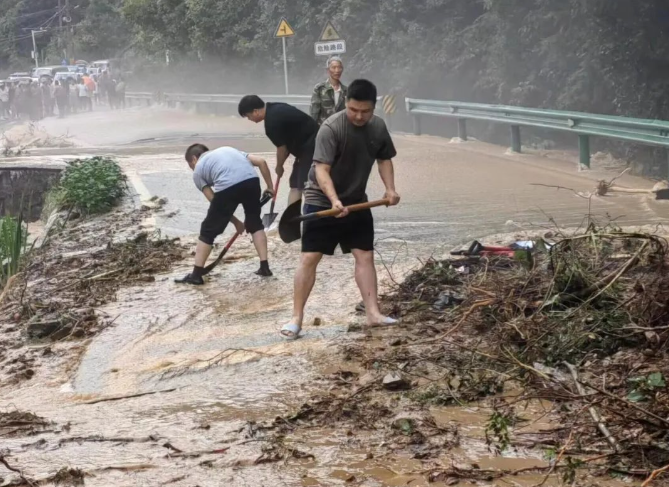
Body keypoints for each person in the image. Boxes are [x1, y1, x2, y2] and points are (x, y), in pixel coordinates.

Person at [280, 79, 401, 340]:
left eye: (365, 111)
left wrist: (390, 189)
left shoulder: (378, 127)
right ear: (346, 103)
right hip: (321, 201)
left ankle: (373, 313)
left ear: (373, 107)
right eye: (353, 109)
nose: (358, 116)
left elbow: (384, 159)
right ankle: (296, 318)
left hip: (356, 201)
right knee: (310, 258)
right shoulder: (331, 128)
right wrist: (334, 201)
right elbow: (321, 170)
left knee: (365, 255)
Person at [176, 144, 275, 285]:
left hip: (228, 186)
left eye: (190, 165)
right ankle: (265, 267)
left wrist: (236, 223)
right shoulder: (230, 150)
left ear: (194, 159)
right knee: (255, 223)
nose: (192, 168)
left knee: (208, 230)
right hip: (252, 181)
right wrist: (270, 187)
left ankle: (196, 275)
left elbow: (214, 201)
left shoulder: (198, 171)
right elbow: (261, 162)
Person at [238, 95, 319, 206]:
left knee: (305, 184)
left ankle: (315, 212)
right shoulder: (275, 107)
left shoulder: (271, 124)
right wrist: (280, 164)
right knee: (295, 184)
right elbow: (287, 144)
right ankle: (291, 215)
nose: (249, 119)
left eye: (248, 116)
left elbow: (283, 149)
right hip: (305, 148)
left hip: (313, 147)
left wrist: (279, 166)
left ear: (255, 111)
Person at [310, 56, 347, 125]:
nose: (337, 70)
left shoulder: (346, 91)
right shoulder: (319, 88)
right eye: (334, 67)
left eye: (339, 67)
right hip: (324, 127)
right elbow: (314, 113)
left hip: (340, 128)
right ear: (328, 70)